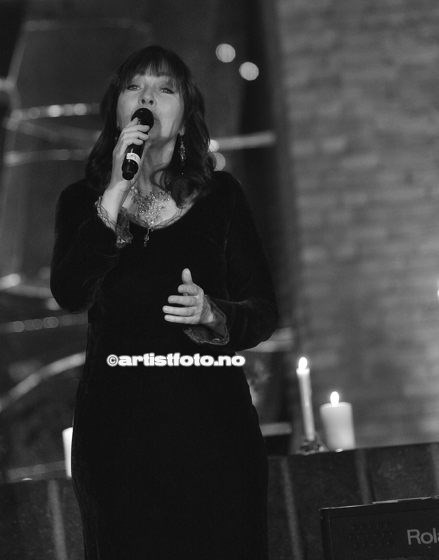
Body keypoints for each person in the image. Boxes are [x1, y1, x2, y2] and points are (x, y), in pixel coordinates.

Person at [50, 45, 278, 560]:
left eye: (165, 88)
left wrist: (214, 314)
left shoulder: (221, 196)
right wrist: (115, 189)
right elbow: (69, 293)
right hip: (117, 437)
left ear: (185, 112)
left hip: (214, 431)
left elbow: (263, 310)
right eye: (135, 86)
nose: (147, 98)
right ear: (117, 108)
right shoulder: (80, 202)